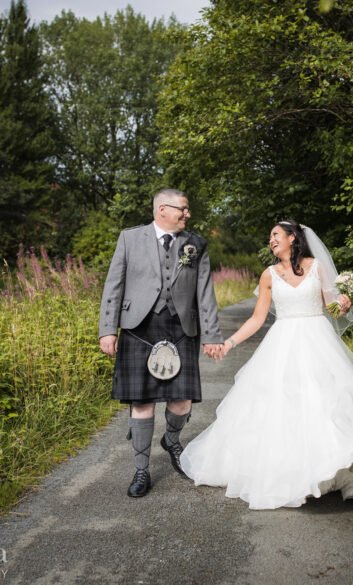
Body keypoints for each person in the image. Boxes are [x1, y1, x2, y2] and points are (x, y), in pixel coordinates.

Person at [180, 219, 353, 510]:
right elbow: (257, 319)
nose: (271, 241)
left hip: (318, 341)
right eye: (270, 237)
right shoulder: (269, 275)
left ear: (293, 238)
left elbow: (333, 307)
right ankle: (291, 474)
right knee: (283, 407)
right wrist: (229, 343)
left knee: (326, 404)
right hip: (282, 343)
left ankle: (327, 469)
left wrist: (345, 303)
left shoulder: (316, 266)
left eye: (275, 235)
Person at [99, 188, 223, 498]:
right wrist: (107, 330)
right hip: (138, 326)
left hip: (181, 326)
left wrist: (211, 335)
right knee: (141, 401)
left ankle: (171, 439)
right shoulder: (130, 239)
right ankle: (141, 470)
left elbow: (205, 294)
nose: (187, 214)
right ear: (162, 210)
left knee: (181, 400)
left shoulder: (196, 244)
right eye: (183, 208)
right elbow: (113, 285)